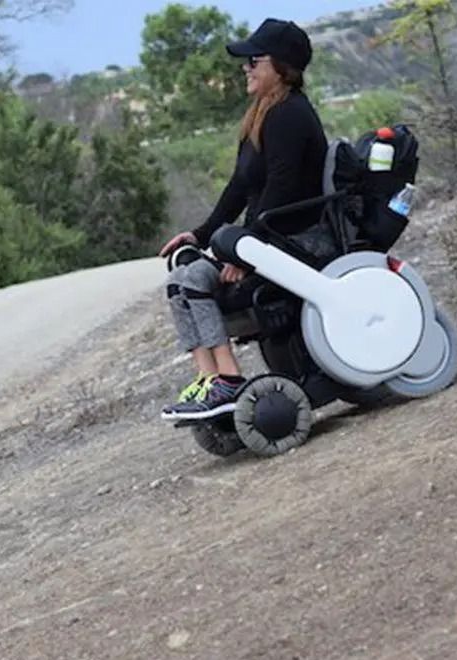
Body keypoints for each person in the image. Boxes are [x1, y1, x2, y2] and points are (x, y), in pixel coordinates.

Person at [159, 18, 332, 420]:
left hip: (293, 240)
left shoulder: (290, 115)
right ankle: (209, 377)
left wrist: (247, 251)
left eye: (255, 60)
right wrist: (200, 235)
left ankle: (230, 381)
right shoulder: (261, 114)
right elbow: (240, 186)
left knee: (197, 282)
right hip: (267, 238)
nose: (246, 67)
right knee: (179, 281)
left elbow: (282, 192)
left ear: (281, 67)